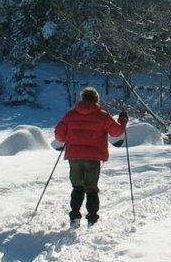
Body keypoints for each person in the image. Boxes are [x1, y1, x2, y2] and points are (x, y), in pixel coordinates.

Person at [55, 87, 129, 227]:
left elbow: (59, 135)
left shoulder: (70, 115)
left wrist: (69, 138)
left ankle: (75, 218)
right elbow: (116, 132)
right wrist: (123, 120)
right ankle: (92, 219)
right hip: (93, 158)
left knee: (77, 187)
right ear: (96, 100)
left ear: (82, 99)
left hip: (74, 157)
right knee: (91, 188)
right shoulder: (102, 116)